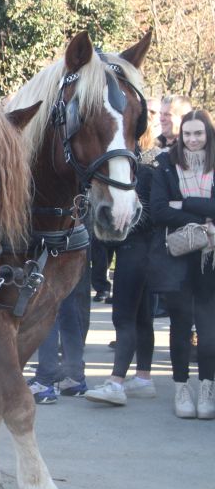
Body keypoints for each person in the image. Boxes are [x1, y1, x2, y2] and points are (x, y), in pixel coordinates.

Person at [149, 109, 215, 419]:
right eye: (187, 133)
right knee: (179, 324)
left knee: (208, 326)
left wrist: (185, 204)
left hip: (210, 258)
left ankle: (206, 387)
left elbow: (175, 207)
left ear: (208, 134)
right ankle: (181, 387)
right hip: (176, 255)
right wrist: (205, 216)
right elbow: (159, 210)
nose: (192, 139)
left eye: (198, 133)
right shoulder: (165, 164)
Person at [85, 146, 156, 405]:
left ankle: (116, 383)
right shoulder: (145, 171)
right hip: (142, 251)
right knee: (142, 316)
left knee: (124, 317)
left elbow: (150, 214)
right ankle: (143, 377)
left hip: (133, 250)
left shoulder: (140, 175)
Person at [27, 267, 91, 403]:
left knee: (47, 308)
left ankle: (44, 383)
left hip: (54, 251)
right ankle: (75, 377)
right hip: (76, 250)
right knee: (68, 309)